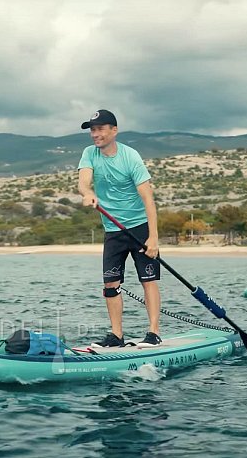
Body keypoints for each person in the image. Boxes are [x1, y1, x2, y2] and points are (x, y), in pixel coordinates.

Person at [78, 109, 162, 348]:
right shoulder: (89, 154)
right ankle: (116, 335)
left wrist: (153, 238)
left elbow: (148, 200)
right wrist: (88, 192)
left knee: (148, 280)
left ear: (114, 130)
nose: (95, 134)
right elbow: (83, 183)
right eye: (93, 130)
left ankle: (153, 332)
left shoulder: (131, 157)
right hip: (113, 229)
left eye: (100, 129)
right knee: (110, 284)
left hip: (138, 227)